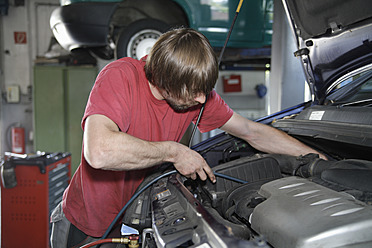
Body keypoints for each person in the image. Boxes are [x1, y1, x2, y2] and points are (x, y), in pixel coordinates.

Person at [50, 27, 326, 247]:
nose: (201, 98)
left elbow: (250, 131)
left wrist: (316, 159)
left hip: (131, 222)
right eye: (194, 91)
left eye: (205, 90)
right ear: (162, 79)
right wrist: (174, 152)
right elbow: (99, 151)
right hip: (85, 224)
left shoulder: (197, 98)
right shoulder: (120, 77)